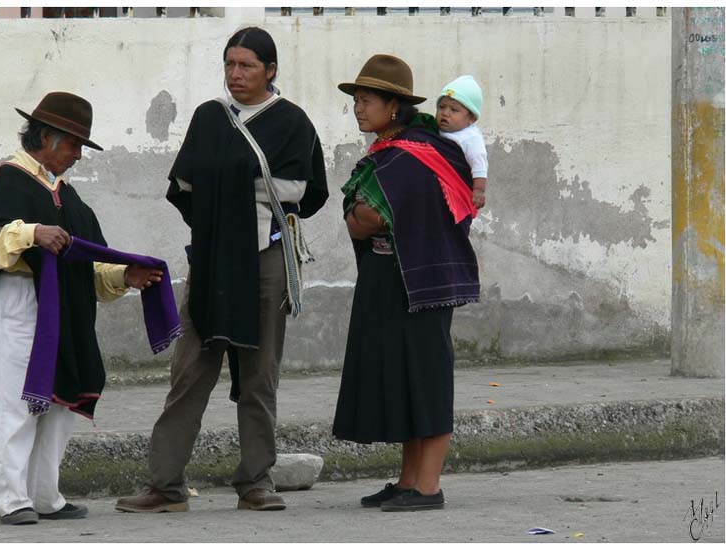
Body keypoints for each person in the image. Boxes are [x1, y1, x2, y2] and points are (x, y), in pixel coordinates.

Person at [116, 26, 328, 514]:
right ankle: (165, 485)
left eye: (246, 65)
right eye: (230, 64)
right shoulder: (210, 117)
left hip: (266, 261)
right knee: (190, 370)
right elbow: (185, 184)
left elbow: (297, 189)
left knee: (260, 374)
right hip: (212, 258)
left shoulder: (291, 122)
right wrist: (235, 196)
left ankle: (256, 481)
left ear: (270, 71)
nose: (235, 74)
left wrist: (227, 181)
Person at [0, 92, 165, 525]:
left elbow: (91, 269)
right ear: (47, 137)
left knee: (58, 404)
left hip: (67, 310)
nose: (77, 155)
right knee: (20, 401)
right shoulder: (9, 179)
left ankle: (45, 496)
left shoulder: (69, 197)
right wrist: (32, 233)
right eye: (74, 145)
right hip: (22, 303)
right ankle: (12, 499)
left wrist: (124, 276)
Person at [332, 55, 481, 511]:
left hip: (421, 279)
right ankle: (407, 480)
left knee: (427, 377)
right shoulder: (391, 152)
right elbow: (358, 216)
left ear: (393, 105)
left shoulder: (417, 153)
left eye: (367, 100)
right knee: (404, 376)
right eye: (356, 101)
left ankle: (429, 487)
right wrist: (363, 216)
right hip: (388, 275)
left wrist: (364, 215)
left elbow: (371, 216)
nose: (358, 109)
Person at [436, 75, 488, 209]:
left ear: (471, 118)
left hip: (457, 191)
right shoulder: (433, 129)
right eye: (441, 107)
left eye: (454, 110)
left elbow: (479, 164)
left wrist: (478, 190)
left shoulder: (471, 138)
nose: (445, 113)